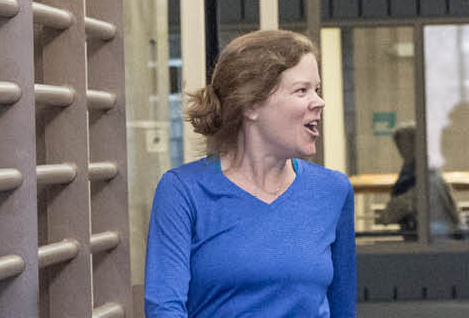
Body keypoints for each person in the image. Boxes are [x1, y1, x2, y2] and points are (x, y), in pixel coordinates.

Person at [145, 30, 354, 318]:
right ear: (252, 105)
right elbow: (164, 309)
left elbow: (343, 308)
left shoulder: (333, 190)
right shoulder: (183, 190)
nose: (318, 102)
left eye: (317, 89)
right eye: (301, 90)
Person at [375, 125, 462, 240]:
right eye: (399, 146)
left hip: (434, 239)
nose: (401, 150)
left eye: (404, 145)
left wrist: (386, 215)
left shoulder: (425, 175)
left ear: (416, 145)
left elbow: (403, 204)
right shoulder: (414, 170)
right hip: (423, 236)